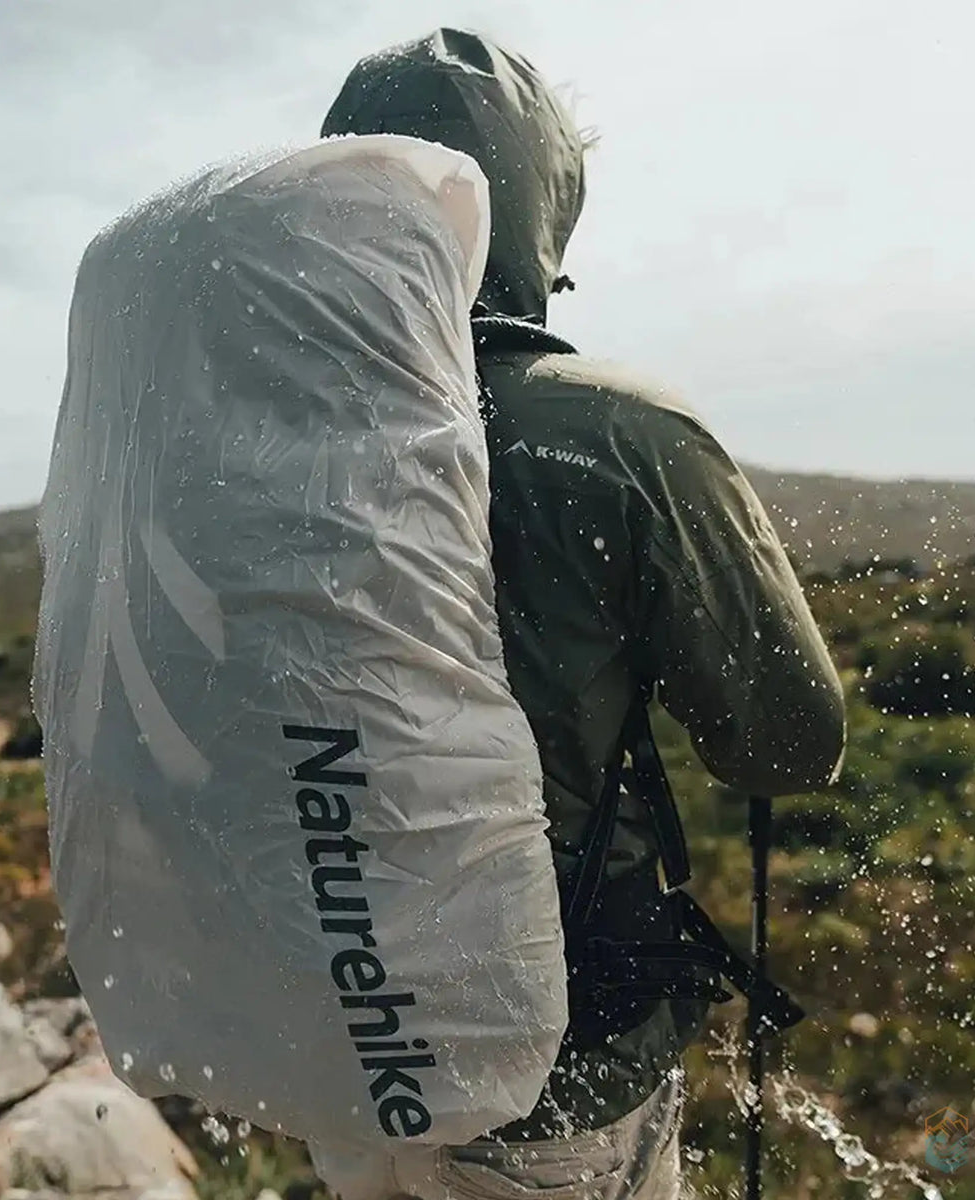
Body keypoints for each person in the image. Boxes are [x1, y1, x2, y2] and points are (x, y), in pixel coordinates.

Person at [315, 27, 847, 1200]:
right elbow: (787, 745)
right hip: (555, 1068)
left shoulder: (275, 445)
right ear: (534, 214)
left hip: (339, 1041)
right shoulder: (615, 435)